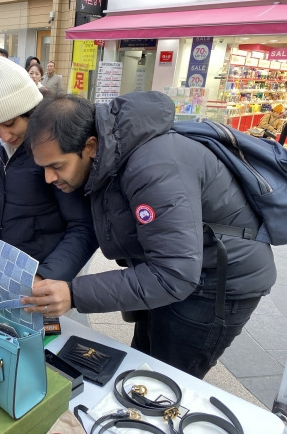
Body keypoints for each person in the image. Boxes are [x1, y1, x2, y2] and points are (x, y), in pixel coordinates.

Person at [22, 92, 276, 379]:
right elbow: (93, 230)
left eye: (56, 166)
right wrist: (51, 277)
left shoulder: (153, 167)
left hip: (217, 283)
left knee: (164, 384)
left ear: (90, 145)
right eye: (43, 167)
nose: (49, 178)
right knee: (142, 365)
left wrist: (74, 293)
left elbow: (174, 274)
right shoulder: (109, 157)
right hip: (176, 271)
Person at [0, 57, 95, 280]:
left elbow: (83, 225)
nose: (5, 136)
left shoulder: (53, 151)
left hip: (45, 270)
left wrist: (47, 277)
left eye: (10, 123)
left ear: (30, 111)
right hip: (8, 262)